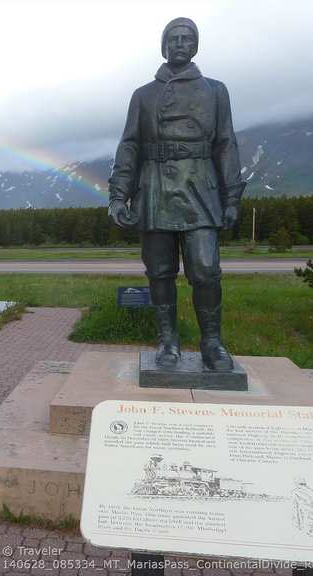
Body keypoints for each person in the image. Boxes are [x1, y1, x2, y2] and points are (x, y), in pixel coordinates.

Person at [108, 17, 245, 371]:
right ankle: (167, 340)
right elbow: (130, 147)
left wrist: (232, 198)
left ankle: (212, 343)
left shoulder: (216, 91)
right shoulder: (144, 95)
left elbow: (226, 145)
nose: (180, 43)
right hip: (155, 189)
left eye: (187, 38)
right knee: (160, 271)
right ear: (164, 45)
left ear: (195, 45)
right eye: (173, 38)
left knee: (205, 270)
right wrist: (118, 195)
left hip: (201, 189)